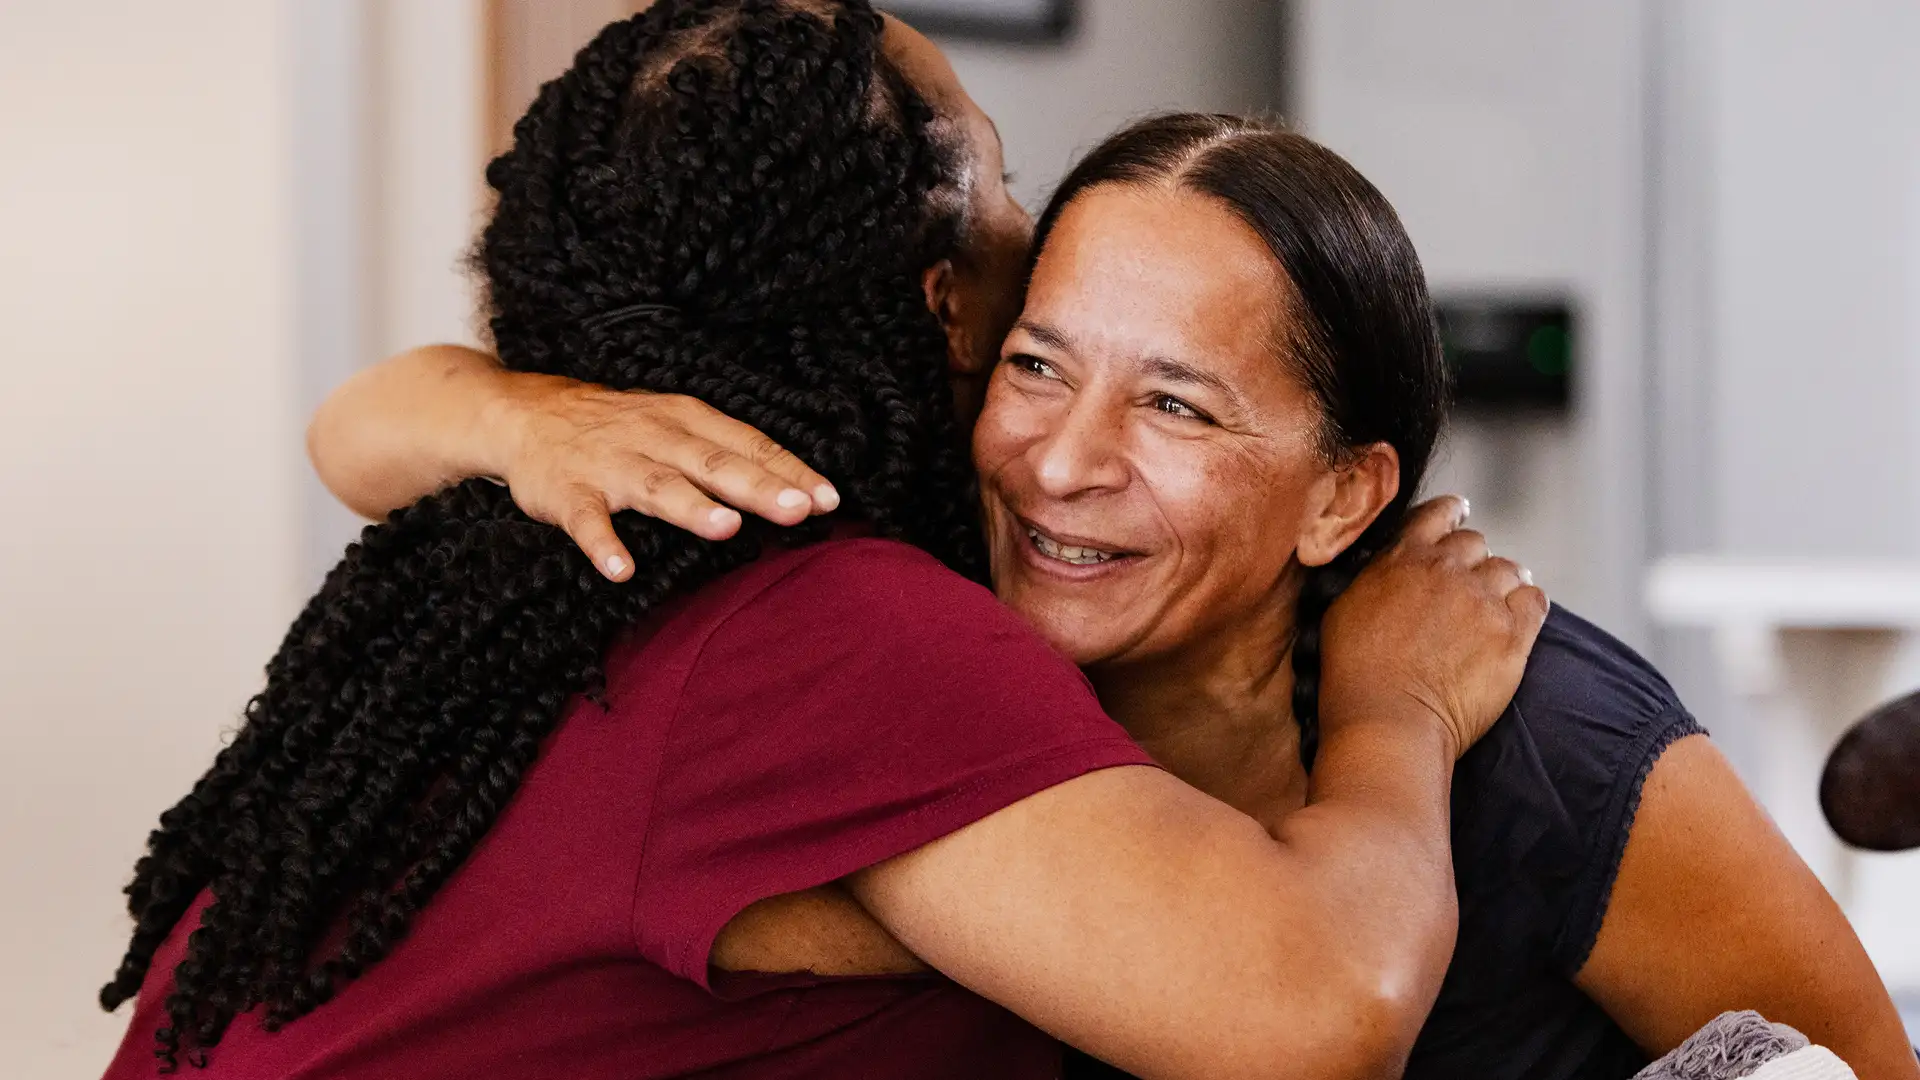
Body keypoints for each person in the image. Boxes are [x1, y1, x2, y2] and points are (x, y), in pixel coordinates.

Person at [314, 106, 1920, 1080]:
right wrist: (522, 418)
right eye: (1035, 365)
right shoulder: (924, 599)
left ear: (1344, 495)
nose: (1065, 462)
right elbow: (362, 432)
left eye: (1176, 405)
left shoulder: (1543, 738)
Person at [98, 5, 1543, 1079]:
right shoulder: (826, 628)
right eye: (1000, 183)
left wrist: (503, 408)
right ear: (943, 305)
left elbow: (362, 424)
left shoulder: (554, 525)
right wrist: (1400, 704)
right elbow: (1318, 1016)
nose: (1030, 223)